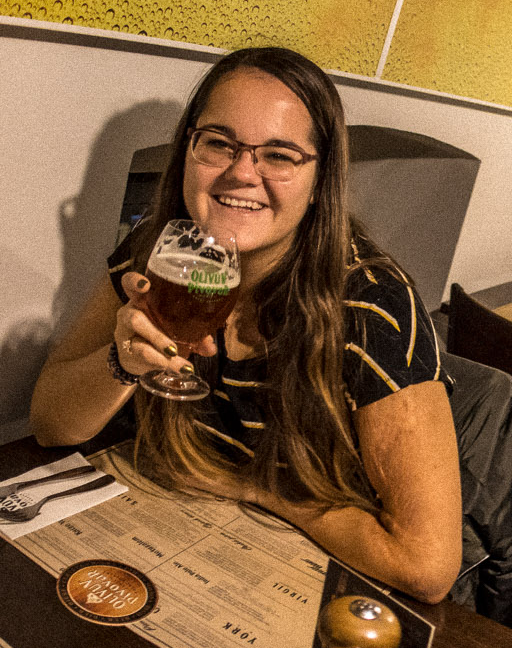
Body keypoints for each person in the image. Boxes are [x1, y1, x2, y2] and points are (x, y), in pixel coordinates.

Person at [30, 47, 467, 605]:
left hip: (310, 592)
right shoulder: (160, 254)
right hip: (179, 555)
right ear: (187, 151)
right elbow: (51, 424)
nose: (241, 173)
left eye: (279, 155)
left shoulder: (371, 303)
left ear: (320, 180)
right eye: (218, 143)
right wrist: (122, 361)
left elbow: (427, 567)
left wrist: (254, 487)